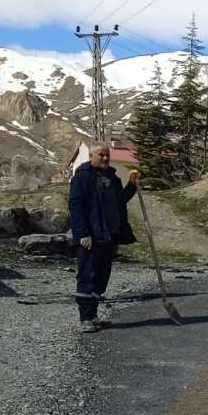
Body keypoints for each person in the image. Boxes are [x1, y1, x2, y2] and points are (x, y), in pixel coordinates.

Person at [68, 143, 138, 333]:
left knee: (101, 277)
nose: (106, 158)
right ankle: (85, 318)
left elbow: (120, 200)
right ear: (91, 156)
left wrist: (131, 185)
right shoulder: (82, 177)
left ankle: (94, 315)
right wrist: (82, 233)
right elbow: (76, 206)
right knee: (87, 276)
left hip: (109, 235)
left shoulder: (112, 178)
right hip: (92, 235)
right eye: (102, 155)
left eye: (107, 155)